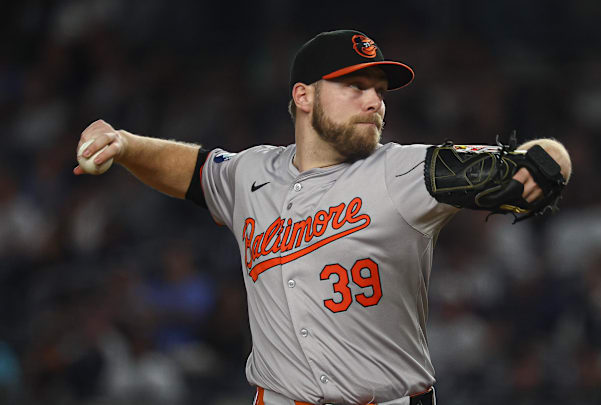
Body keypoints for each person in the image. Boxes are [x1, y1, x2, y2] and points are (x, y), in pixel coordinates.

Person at [74, 29, 571, 405]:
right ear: (303, 96)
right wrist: (126, 144)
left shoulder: (408, 170)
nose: (374, 100)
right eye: (355, 86)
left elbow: (532, 163)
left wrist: (547, 162)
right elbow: (195, 170)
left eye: (379, 90)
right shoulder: (252, 172)